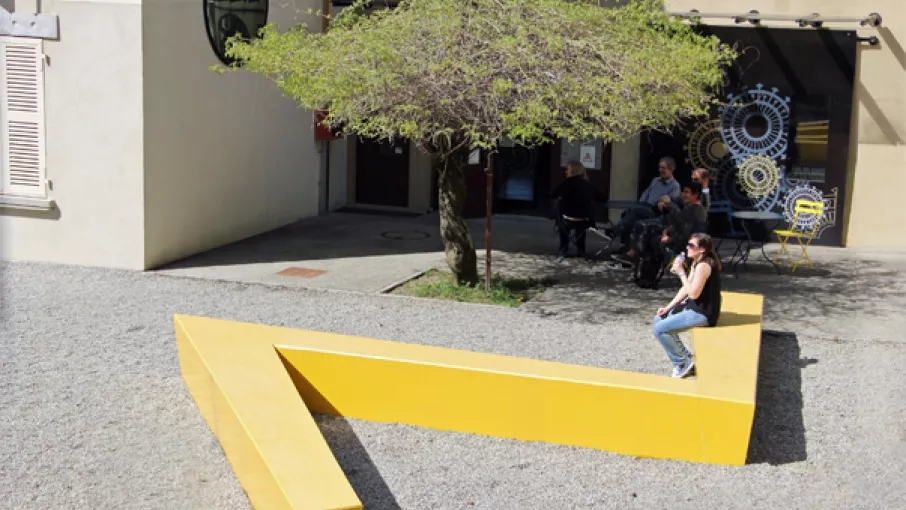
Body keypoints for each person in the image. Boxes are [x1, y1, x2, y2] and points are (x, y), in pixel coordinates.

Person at [651, 233, 723, 378]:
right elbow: (685, 289)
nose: (687, 248)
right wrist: (668, 307)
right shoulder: (696, 261)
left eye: (691, 246)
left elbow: (693, 294)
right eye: (688, 244)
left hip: (703, 313)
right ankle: (685, 356)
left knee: (660, 330)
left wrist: (681, 273)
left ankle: (682, 363)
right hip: (694, 307)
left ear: (702, 249)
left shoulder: (704, 265)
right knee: (659, 319)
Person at [614, 181, 707, 265]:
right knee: (638, 221)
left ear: (695, 195)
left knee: (645, 227)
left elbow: (685, 231)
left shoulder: (697, 211)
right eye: (683, 192)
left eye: (687, 192)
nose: (683, 194)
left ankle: (635, 255)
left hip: (680, 240)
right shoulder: (688, 206)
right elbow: (677, 221)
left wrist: (669, 238)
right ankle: (634, 253)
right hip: (672, 230)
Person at [607, 157, 682, 251]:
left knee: (635, 212)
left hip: (657, 213)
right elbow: (645, 194)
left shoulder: (675, 186)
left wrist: (663, 203)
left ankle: (616, 230)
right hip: (644, 207)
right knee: (627, 214)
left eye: (663, 168)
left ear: (671, 169)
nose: (660, 170)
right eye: (659, 167)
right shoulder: (655, 180)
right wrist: (640, 204)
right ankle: (626, 246)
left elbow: (671, 204)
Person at [550, 161, 603, 261]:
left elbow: (553, 194)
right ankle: (581, 249)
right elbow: (602, 198)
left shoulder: (566, 183)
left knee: (561, 220)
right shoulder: (587, 184)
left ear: (573, 171)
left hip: (568, 218)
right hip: (584, 219)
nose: (565, 171)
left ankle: (563, 248)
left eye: (568, 169)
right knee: (580, 227)